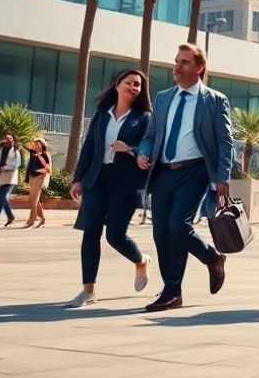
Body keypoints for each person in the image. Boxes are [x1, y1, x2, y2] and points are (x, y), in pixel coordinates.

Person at [135, 43, 234, 312]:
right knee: (161, 233)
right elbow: (151, 134)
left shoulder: (214, 100)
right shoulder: (164, 97)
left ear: (199, 67)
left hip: (196, 171)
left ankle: (211, 257)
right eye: (176, 61)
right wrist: (143, 153)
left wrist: (223, 178)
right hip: (163, 172)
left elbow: (225, 142)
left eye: (185, 63)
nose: (177, 67)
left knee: (178, 225)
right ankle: (172, 292)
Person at [67, 69, 154, 308]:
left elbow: (150, 146)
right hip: (96, 179)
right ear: (117, 85)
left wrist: (129, 148)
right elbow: (89, 147)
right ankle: (88, 291)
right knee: (91, 233)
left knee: (115, 235)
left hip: (124, 183)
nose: (133, 88)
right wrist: (78, 179)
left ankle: (140, 260)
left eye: (137, 85)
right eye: (129, 83)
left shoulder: (144, 117)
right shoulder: (102, 115)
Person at [24, 137, 52, 228]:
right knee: (33, 199)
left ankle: (32, 218)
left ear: (42, 144)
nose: (36, 145)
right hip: (32, 178)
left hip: (39, 178)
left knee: (34, 199)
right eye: (35, 144)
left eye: (38, 144)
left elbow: (47, 169)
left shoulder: (44, 155)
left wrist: (37, 171)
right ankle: (42, 218)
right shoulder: (34, 154)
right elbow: (29, 168)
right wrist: (27, 179)